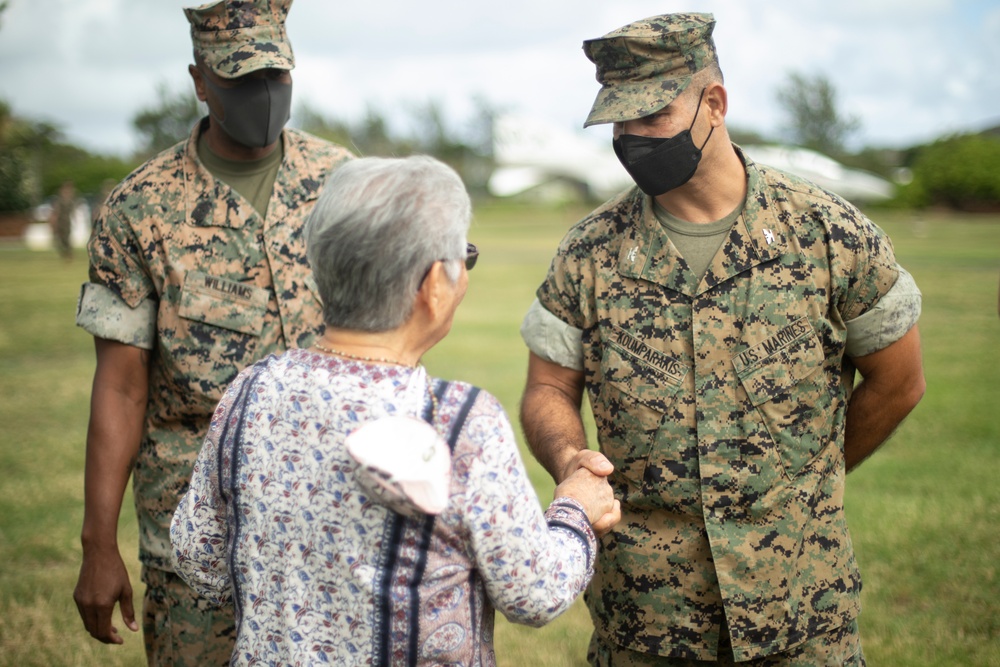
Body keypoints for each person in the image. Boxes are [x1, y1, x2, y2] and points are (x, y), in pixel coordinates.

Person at [519, 13, 926, 666]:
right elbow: (547, 385)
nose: (631, 138)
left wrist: (812, 480)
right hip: (648, 624)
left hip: (800, 617)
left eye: (650, 116)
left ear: (715, 103)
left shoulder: (828, 234)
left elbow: (900, 381)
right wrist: (569, 457)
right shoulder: (588, 252)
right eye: (618, 123)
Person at [170, 155, 622, 666]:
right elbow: (533, 592)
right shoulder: (459, 421)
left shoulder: (249, 390)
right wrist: (576, 509)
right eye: (463, 258)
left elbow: (196, 554)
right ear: (432, 284)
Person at [72, 0, 352, 664]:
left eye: (275, 77)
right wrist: (98, 543)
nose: (262, 95)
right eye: (238, 79)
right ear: (200, 80)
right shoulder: (138, 209)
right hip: (197, 535)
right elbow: (120, 387)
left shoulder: (342, 181)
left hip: (332, 523)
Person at [49, 179, 77, 260]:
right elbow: (55, 211)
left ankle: (68, 253)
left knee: (66, 238)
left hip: (66, 222)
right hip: (60, 222)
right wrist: (53, 221)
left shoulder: (70, 200)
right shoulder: (59, 200)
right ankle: (65, 253)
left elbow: (72, 210)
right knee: (59, 239)